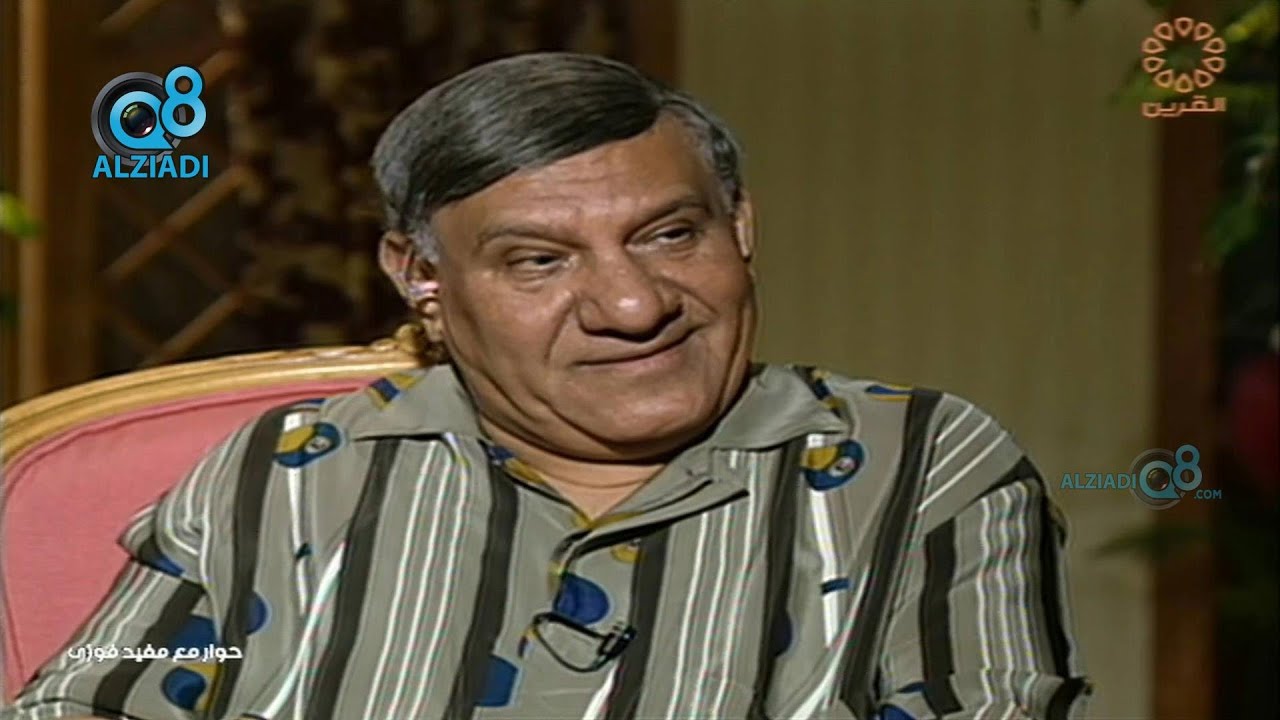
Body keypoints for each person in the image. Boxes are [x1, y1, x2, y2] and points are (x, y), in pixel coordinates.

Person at [3, 52, 1090, 720]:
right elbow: (84, 704)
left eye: (670, 235)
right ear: (421, 278)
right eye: (538, 260)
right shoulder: (287, 473)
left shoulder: (919, 466)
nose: (632, 304)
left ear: (741, 227)